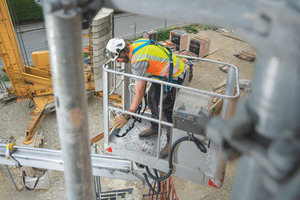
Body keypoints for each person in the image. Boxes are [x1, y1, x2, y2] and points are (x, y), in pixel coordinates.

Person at [105, 38, 187, 158]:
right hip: (164, 74)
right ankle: (155, 128)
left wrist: (128, 115)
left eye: (118, 58)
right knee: (152, 99)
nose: (118, 61)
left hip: (174, 75)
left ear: (123, 52)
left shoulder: (138, 61)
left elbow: (139, 92)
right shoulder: (136, 44)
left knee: (163, 108)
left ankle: (171, 140)